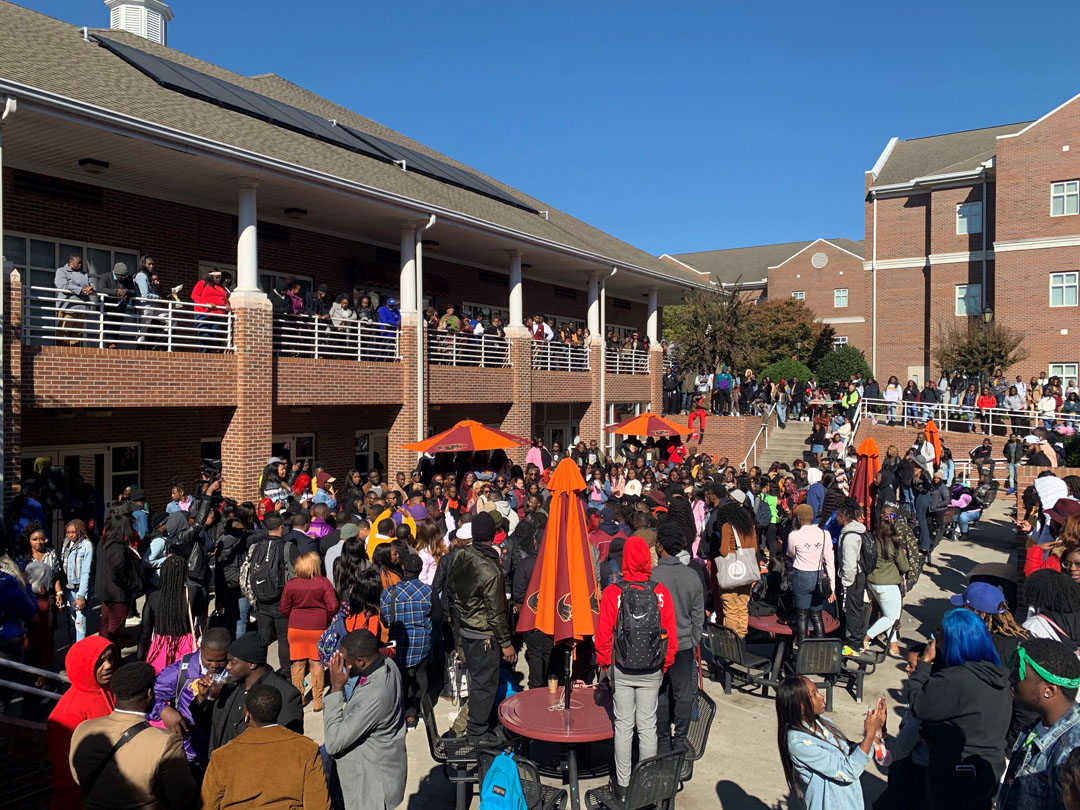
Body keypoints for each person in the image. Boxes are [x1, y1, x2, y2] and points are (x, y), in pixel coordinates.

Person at [595, 535, 677, 802]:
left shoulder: (613, 592)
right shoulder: (661, 592)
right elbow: (670, 636)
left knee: (623, 726)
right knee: (647, 726)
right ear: (647, 559)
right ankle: (646, 785)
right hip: (652, 669)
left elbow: (604, 635)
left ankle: (623, 785)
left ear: (625, 560)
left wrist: (605, 664)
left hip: (621, 667)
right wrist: (665, 664)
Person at [908, 608, 1011, 809]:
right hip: (988, 770)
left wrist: (924, 664)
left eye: (939, 632)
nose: (935, 637)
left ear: (952, 640)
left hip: (955, 775)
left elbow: (918, 705)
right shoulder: (998, 676)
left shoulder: (954, 680)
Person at [69, 662, 195, 810]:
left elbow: (78, 776)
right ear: (150, 693)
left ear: (115, 694)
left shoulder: (84, 728)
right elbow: (182, 797)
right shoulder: (166, 742)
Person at [200, 684, 331, 810]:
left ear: (247, 715)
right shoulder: (306, 749)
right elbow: (318, 805)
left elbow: (208, 805)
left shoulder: (221, 756)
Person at [448, 512, 514, 745]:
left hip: (465, 628)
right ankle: (477, 732)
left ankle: (475, 725)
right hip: (483, 634)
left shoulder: (461, 554)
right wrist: (506, 643)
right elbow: (496, 612)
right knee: (484, 685)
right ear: (493, 535)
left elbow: (452, 587)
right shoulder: (491, 570)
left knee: (477, 681)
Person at [324, 630, 408, 810]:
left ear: (360, 661)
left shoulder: (373, 695)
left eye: (345, 661)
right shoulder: (387, 664)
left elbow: (333, 743)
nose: (342, 666)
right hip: (382, 769)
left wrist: (336, 689)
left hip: (370, 786)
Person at [776, 675, 887, 810]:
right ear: (799, 705)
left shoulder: (821, 721)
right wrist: (869, 734)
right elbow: (848, 771)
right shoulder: (798, 743)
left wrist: (877, 730)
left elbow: (850, 753)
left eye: (817, 691)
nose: (821, 697)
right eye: (813, 695)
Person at [998, 638, 1080, 810]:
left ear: (1048, 691)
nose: (1011, 679)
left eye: (1019, 674)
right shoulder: (1038, 725)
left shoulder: (1070, 752)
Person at [189, 633, 303, 754]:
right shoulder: (227, 686)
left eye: (233, 662)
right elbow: (202, 722)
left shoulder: (285, 694)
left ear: (252, 664)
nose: (227, 667)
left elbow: (289, 743)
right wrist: (203, 697)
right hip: (223, 763)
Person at [650, 518, 704, 753]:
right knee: (683, 694)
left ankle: (663, 740)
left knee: (660, 692)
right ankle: (680, 740)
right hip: (683, 644)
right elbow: (698, 616)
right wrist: (692, 640)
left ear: (660, 546)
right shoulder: (692, 576)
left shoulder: (652, 577)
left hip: (658, 646)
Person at [47, 637, 117, 810]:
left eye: (110, 658)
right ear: (83, 666)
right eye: (99, 661)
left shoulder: (109, 689)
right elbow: (65, 775)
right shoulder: (66, 715)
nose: (108, 665)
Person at [150, 626, 230, 771]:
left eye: (221, 660)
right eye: (209, 660)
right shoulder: (180, 672)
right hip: (191, 751)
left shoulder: (235, 670)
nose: (214, 666)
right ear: (201, 649)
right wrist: (163, 710)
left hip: (226, 748)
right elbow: (150, 696)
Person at [281, 551, 338, 712]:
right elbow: (333, 606)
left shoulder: (291, 584)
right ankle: (318, 700)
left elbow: (284, 608)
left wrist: (294, 616)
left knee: (297, 663)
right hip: (317, 626)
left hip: (296, 627)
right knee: (316, 663)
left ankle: (299, 697)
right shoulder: (323, 582)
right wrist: (325, 618)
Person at [380, 552, 431, 729]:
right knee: (421, 674)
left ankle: (409, 714)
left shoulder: (389, 592)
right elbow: (436, 615)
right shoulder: (428, 591)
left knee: (403, 677)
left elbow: (384, 619)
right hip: (422, 641)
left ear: (402, 568)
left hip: (399, 641)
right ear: (420, 569)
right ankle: (422, 709)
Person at [138, 555, 199, 673]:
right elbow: (200, 615)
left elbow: (145, 632)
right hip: (186, 647)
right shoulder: (193, 593)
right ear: (185, 573)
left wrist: (139, 657)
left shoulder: (153, 597)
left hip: (160, 648)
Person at [786, 504, 836, 644]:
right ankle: (820, 645)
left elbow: (791, 553)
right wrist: (832, 586)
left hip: (802, 575)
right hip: (819, 576)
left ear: (798, 518)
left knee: (802, 616)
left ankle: (803, 647)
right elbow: (830, 561)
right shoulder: (825, 534)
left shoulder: (794, 535)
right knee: (817, 615)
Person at [864, 519, 909, 655]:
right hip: (888, 584)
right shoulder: (893, 545)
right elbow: (904, 566)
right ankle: (866, 637)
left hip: (872, 582)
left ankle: (893, 646)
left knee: (888, 614)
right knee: (892, 618)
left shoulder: (872, 543)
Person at [95, 515, 142, 644]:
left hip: (106, 592)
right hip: (118, 595)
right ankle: (112, 652)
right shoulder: (118, 548)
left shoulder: (103, 543)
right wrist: (133, 585)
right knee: (114, 629)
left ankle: (103, 650)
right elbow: (118, 574)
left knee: (105, 626)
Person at [59, 519, 94, 643]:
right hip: (67, 588)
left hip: (80, 588)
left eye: (73, 532)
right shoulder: (65, 544)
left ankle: (80, 646)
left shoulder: (86, 545)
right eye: (68, 532)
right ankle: (72, 646)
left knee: (80, 621)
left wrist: (81, 596)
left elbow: (86, 572)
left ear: (80, 531)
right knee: (70, 619)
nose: (70, 535)